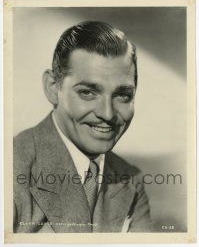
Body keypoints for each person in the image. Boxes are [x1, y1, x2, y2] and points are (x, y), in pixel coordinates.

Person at [13, 21, 151, 233]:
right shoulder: (10, 168)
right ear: (52, 88)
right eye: (87, 92)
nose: (107, 114)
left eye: (123, 95)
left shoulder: (130, 180)